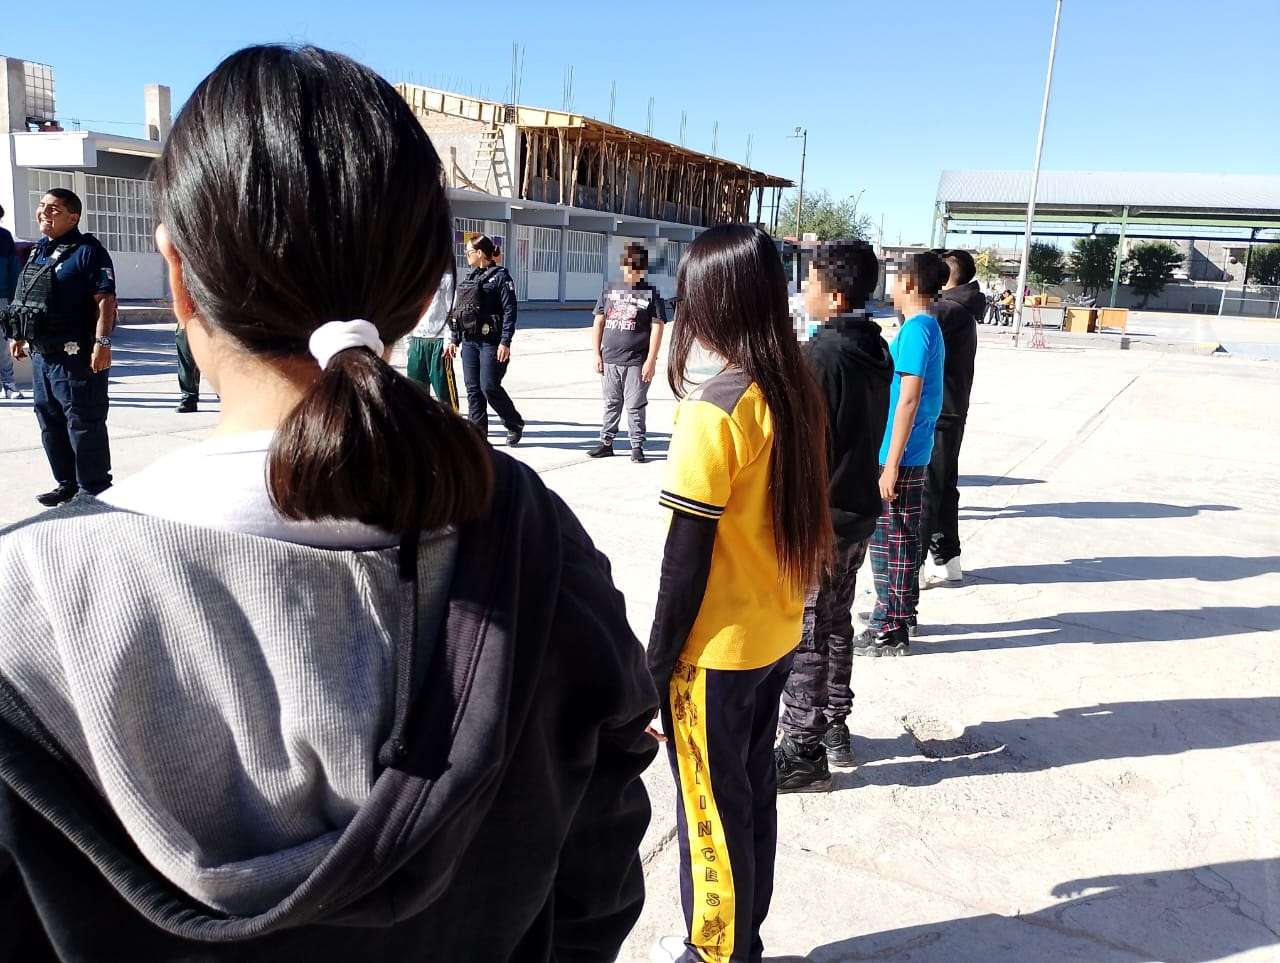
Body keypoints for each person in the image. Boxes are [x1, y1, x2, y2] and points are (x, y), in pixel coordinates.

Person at [0, 45, 656, 961]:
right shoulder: (529, 540)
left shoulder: (27, 599)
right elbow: (598, 863)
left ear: (178, 275)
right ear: (425, 292)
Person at [647, 224, 833, 962]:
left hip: (715, 652)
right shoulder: (790, 389)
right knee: (750, 801)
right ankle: (739, 939)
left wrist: (653, 671)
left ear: (710, 301)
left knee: (710, 815)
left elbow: (682, 563)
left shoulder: (714, 408)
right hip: (774, 634)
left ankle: (715, 951)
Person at [775, 238, 892, 793]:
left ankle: (803, 750)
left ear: (836, 295)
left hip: (822, 517)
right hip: (857, 511)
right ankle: (835, 726)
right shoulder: (875, 346)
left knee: (807, 634)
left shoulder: (822, 356)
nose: (806, 294)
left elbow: (802, 445)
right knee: (837, 621)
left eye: (812, 284)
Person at [853, 250, 946, 657]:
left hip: (900, 453)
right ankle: (899, 612)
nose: (890, 287)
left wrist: (890, 464)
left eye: (894, 279)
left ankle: (888, 627)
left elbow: (908, 398)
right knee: (900, 535)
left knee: (891, 539)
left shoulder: (917, 329)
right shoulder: (924, 326)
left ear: (908, 283)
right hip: (907, 449)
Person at [6, 188, 116, 505]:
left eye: (54, 209)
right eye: (42, 206)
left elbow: (105, 300)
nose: (44, 212)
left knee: (83, 421)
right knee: (50, 421)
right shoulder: (39, 251)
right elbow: (29, 297)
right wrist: (19, 336)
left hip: (76, 355)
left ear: (73, 217)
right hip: (43, 354)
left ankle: (94, 489)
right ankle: (66, 483)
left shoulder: (88, 252)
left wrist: (102, 343)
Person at [921, 249, 985, 587]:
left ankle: (912, 570)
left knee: (925, 492)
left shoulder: (945, 311)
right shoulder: (960, 309)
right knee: (943, 489)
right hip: (951, 411)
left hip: (937, 413)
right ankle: (948, 560)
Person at [588, 242, 666, 462]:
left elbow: (658, 327)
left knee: (635, 405)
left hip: (636, 361)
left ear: (643, 269)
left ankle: (637, 446)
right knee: (611, 403)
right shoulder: (609, 290)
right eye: (629, 267)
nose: (632, 272)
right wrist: (596, 354)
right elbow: (599, 322)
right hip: (610, 358)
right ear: (623, 266)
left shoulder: (651, 294)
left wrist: (651, 360)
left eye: (637, 268)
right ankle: (606, 443)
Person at [445, 233, 524, 445]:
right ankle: (478, 436)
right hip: (469, 341)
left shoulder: (501, 277)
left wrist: (505, 341)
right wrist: (454, 339)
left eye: (469, 252)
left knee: (489, 386)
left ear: (480, 253)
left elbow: (510, 311)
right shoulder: (470, 277)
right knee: (473, 389)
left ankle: (514, 422)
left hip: (491, 342)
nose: (466, 255)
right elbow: (461, 312)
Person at [406, 266, 459, 409]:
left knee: (444, 391)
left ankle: (451, 420)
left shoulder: (446, 277)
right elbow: (409, 312)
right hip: (417, 339)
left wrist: (449, 340)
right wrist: (409, 342)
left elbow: (451, 311)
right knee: (416, 391)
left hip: (438, 341)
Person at [0, 203, 22, 398]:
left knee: (2, 344)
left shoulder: (4, 237)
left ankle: (9, 384)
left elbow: (14, 270)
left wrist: (16, 298)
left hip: (1, 298)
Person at [174, 323, 202, 412]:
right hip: (188, 320)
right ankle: (189, 398)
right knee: (187, 359)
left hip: (216, 320)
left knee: (220, 358)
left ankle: (227, 396)